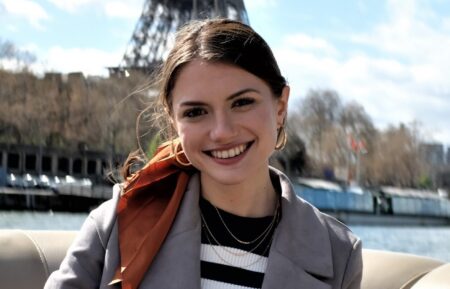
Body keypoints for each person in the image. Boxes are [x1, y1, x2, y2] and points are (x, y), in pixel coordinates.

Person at [44, 18, 362, 289]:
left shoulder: (339, 254)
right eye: (196, 112)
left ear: (280, 107)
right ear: (173, 121)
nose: (221, 131)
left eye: (242, 102)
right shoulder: (118, 218)